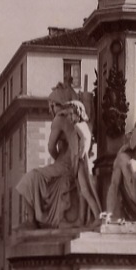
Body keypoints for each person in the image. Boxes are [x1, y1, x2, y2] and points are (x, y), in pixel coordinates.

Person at [16, 93, 101, 228]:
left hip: (70, 163)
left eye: (52, 105)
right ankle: (92, 216)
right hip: (76, 162)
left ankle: (34, 219)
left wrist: (69, 158)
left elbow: (51, 147)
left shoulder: (61, 120)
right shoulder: (82, 123)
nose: (50, 109)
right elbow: (86, 138)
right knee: (84, 189)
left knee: (28, 179)